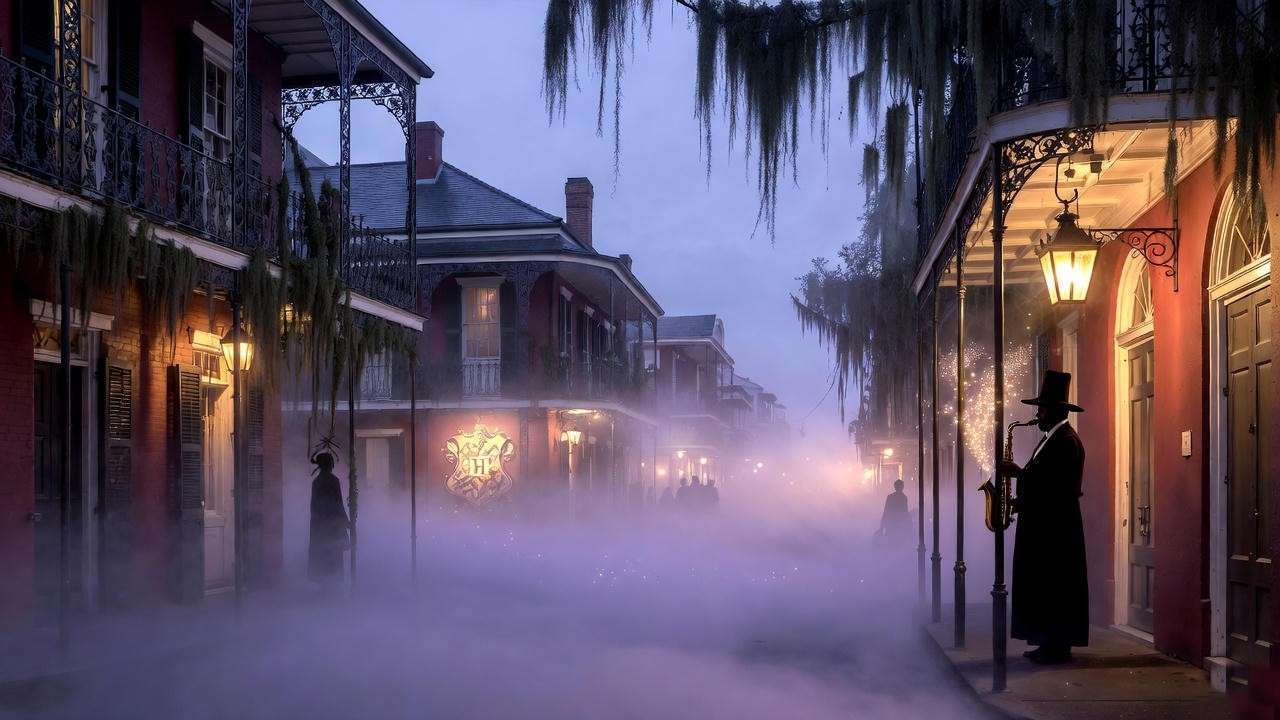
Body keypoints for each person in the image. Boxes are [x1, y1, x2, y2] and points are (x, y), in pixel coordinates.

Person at [998, 370, 1088, 665]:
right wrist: (1022, 499)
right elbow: (1044, 481)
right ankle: (1048, 643)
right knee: (1046, 587)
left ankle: (1056, 647)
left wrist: (1018, 474)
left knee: (1054, 587)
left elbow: (1055, 486)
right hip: (1047, 526)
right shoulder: (1054, 438)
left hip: (1055, 531)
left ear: (1053, 410)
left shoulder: (1065, 441)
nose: (1037, 415)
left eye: (1041, 408)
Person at [308, 451, 350, 589]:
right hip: (332, 527)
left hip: (320, 527)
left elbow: (313, 507)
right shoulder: (333, 481)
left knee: (322, 556)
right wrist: (346, 522)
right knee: (333, 557)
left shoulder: (316, 482)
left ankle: (324, 587)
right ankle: (332, 587)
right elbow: (338, 504)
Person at [877, 479, 910, 543]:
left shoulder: (890, 497)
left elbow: (885, 512)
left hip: (891, 525)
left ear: (895, 487)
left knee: (890, 543)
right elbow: (905, 512)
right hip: (899, 526)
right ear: (902, 487)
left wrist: (882, 527)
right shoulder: (904, 497)